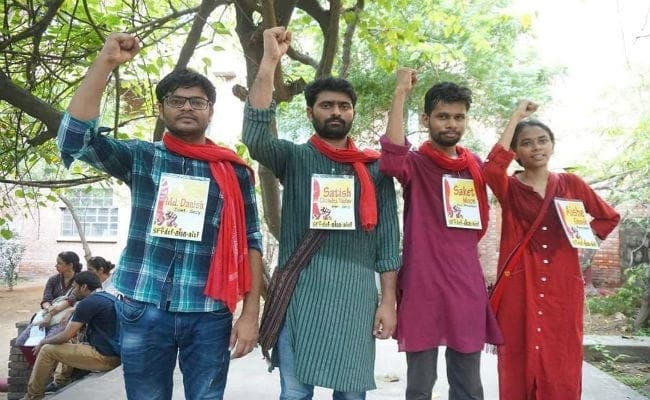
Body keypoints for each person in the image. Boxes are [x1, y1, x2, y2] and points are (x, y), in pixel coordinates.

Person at [57, 33, 264, 400]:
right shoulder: (142, 158)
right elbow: (75, 140)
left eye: (197, 101)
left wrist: (250, 314)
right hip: (145, 307)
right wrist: (105, 62)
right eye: (176, 100)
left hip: (209, 311)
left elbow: (252, 241)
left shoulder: (235, 172)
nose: (187, 107)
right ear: (161, 109)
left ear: (210, 111)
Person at [244, 27, 400, 399]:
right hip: (301, 292)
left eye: (343, 106)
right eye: (327, 105)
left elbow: (388, 242)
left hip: (356, 296)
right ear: (310, 111)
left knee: (352, 394)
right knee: (296, 393)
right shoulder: (295, 158)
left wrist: (388, 302)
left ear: (353, 113)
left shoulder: (375, 170)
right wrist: (270, 61)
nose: (336, 112)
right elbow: (256, 138)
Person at [379, 68, 502, 400]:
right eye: (443, 116)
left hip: (465, 283)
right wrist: (400, 92)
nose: (451, 124)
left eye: (459, 117)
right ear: (426, 119)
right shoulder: (415, 163)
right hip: (423, 284)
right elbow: (391, 160)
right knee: (420, 384)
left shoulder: (474, 165)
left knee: (469, 384)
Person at [484, 100, 620, 400]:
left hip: (563, 286)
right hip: (520, 284)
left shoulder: (571, 184)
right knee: (517, 355)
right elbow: (491, 168)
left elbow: (608, 217)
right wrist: (516, 116)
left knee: (561, 356)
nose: (536, 147)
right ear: (516, 152)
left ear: (552, 145)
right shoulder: (509, 188)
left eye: (542, 140)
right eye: (526, 143)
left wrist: (581, 239)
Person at [23, 271, 121, 400]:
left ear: (84, 287)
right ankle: (61, 381)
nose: (73, 292)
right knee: (73, 341)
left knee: (47, 350)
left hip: (105, 358)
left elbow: (65, 335)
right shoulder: (106, 297)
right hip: (116, 354)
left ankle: (33, 396)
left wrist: (43, 341)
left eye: (74, 287)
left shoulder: (88, 303)